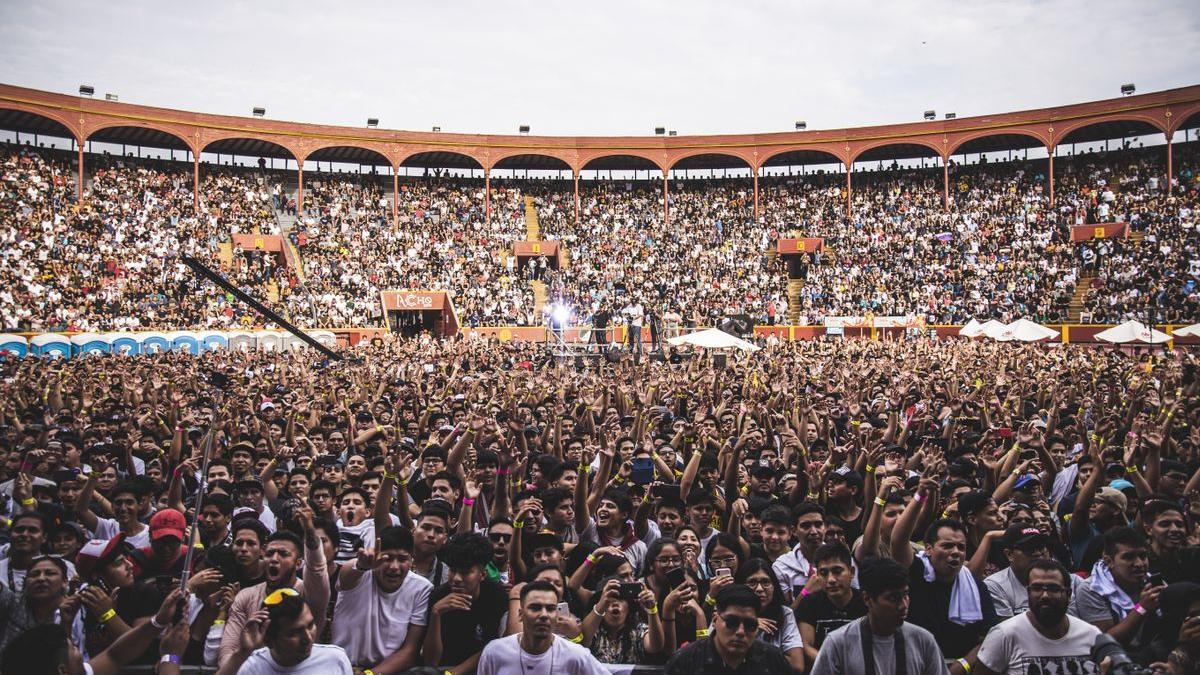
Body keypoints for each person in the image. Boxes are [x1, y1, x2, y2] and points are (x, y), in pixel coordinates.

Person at [810, 556, 949, 675]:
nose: (903, 605)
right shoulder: (838, 643)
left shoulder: (923, 641)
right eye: (893, 598)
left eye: (905, 595)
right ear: (867, 599)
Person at [973, 559, 1101, 675]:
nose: (1044, 595)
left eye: (1053, 588)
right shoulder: (1004, 635)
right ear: (1028, 592)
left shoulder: (1091, 635)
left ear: (1068, 594)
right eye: (1037, 588)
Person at [331, 525, 431, 673]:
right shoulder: (360, 573)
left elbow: (409, 651)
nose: (394, 567)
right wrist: (361, 565)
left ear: (412, 561)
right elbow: (347, 574)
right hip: (340, 667)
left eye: (402, 559)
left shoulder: (421, 588)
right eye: (387, 558)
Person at [477, 580, 608, 675]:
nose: (544, 615)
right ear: (521, 614)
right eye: (535, 608)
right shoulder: (494, 652)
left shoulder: (576, 656)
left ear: (557, 615)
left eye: (550, 609)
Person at [423, 532, 508, 674]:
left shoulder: (495, 596)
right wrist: (436, 614)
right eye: (453, 570)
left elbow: (493, 648)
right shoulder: (438, 596)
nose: (456, 578)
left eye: (465, 572)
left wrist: (455, 673)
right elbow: (430, 661)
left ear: (482, 575)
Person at [664, 584, 793, 675]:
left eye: (750, 625)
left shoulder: (772, 660)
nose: (740, 632)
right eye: (732, 622)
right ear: (715, 620)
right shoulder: (686, 661)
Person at [216, 590, 352, 675]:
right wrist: (241, 654)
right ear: (269, 640)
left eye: (310, 625)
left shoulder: (335, 659)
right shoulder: (251, 667)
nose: (308, 638)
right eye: (294, 633)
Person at [796, 543, 867, 665]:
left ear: (852, 572)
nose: (831, 580)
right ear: (817, 575)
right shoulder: (809, 603)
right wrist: (834, 666)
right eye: (823, 573)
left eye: (837, 571)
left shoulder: (866, 601)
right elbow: (806, 646)